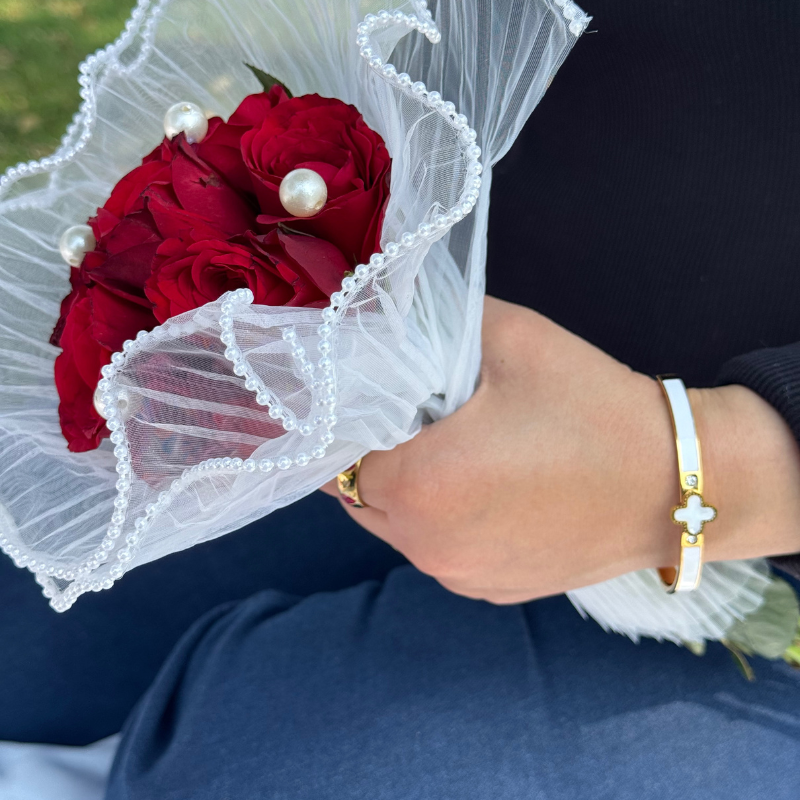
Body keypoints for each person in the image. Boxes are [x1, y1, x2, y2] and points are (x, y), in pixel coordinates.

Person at [4, 0, 800, 797]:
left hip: (754, 512)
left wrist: (708, 468)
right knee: (25, 634)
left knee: (262, 768)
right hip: (410, 363)